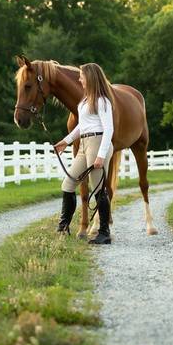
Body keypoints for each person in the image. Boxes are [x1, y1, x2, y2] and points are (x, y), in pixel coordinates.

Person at [53, 63, 114, 245]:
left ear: (90, 78)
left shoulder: (102, 101)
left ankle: (104, 232)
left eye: (81, 76)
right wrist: (66, 141)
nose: (79, 79)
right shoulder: (86, 100)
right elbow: (82, 126)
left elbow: (109, 129)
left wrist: (101, 155)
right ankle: (63, 227)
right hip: (84, 144)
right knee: (69, 183)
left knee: (97, 189)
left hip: (97, 142)